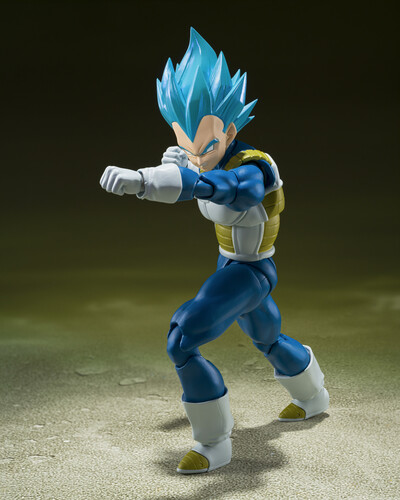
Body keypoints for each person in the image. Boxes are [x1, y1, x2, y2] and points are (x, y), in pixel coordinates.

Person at [100, 27, 329, 474]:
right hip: (233, 267)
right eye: (186, 143)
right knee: (268, 337)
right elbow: (198, 176)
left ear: (231, 129)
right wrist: (180, 165)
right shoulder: (199, 158)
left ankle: (213, 443)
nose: (196, 155)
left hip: (251, 272)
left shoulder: (255, 167)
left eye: (205, 145)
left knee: (182, 340)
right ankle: (313, 396)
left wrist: (148, 181)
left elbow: (231, 190)